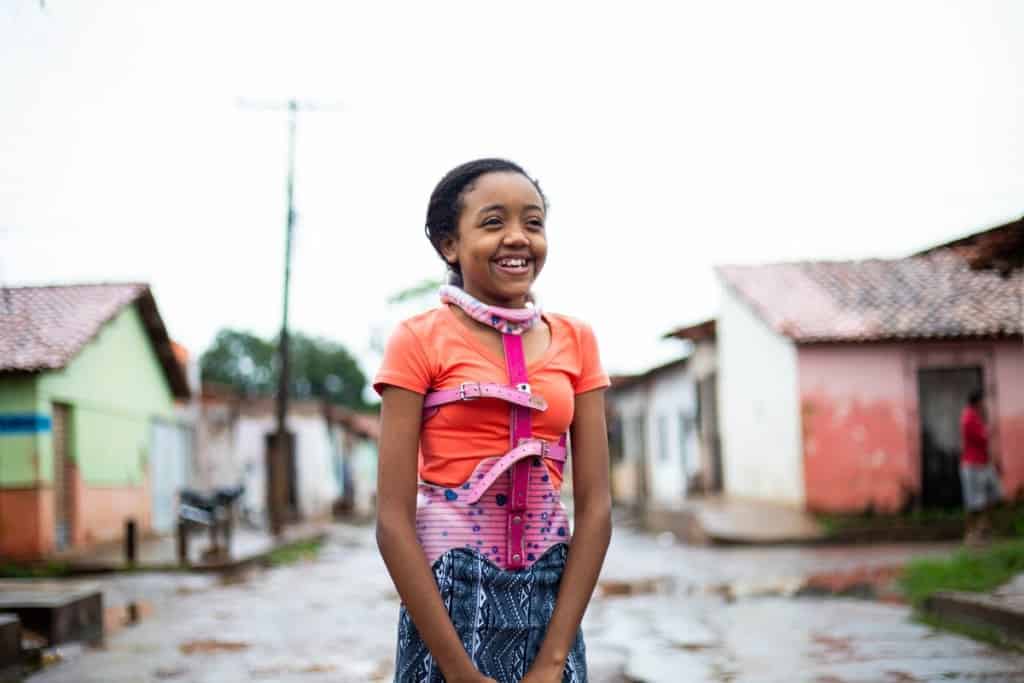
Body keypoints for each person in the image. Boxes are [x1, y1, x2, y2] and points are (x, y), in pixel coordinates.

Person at [374, 158, 612, 682]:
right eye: (492, 222)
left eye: (532, 222)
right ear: (448, 245)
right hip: (447, 598)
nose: (517, 238)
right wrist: (458, 671)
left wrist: (553, 660)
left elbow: (596, 508)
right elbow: (392, 521)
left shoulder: (578, 340)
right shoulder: (416, 339)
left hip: (552, 593)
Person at [960, 389, 1001, 545]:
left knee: (993, 495)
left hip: (984, 463)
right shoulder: (969, 418)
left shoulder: (977, 417)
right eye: (983, 401)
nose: (985, 404)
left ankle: (983, 529)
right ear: (977, 402)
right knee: (973, 502)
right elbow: (982, 438)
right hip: (973, 465)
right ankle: (970, 534)